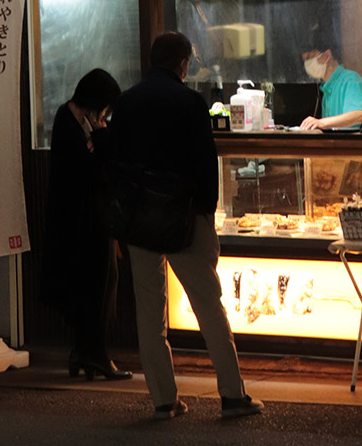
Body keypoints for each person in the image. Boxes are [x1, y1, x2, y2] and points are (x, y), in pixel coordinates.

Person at [111, 31, 262, 421]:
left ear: (150, 60)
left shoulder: (126, 103)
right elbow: (205, 164)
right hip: (185, 219)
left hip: (140, 221)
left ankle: (164, 400)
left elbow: (115, 164)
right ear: (183, 64)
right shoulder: (190, 102)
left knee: (150, 312)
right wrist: (205, 215)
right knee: (208, 306)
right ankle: (231, 396)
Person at [41, 67, 133, 381]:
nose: (105, 113)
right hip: (83, 222)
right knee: (97, 287)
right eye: (106, 106)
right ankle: (96, 356)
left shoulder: (71, 119)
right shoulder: (72, 124)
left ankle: (83, 353)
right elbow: (93, 171)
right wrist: (102, 139)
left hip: (84, 220)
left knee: (97, 286)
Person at [298, 45, 362, 130]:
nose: (307, 64)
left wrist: (320, 122)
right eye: (305, 60)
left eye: (310, 57)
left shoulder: (350, 79)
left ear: (327, 55)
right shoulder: (327, 89)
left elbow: (357, 115)